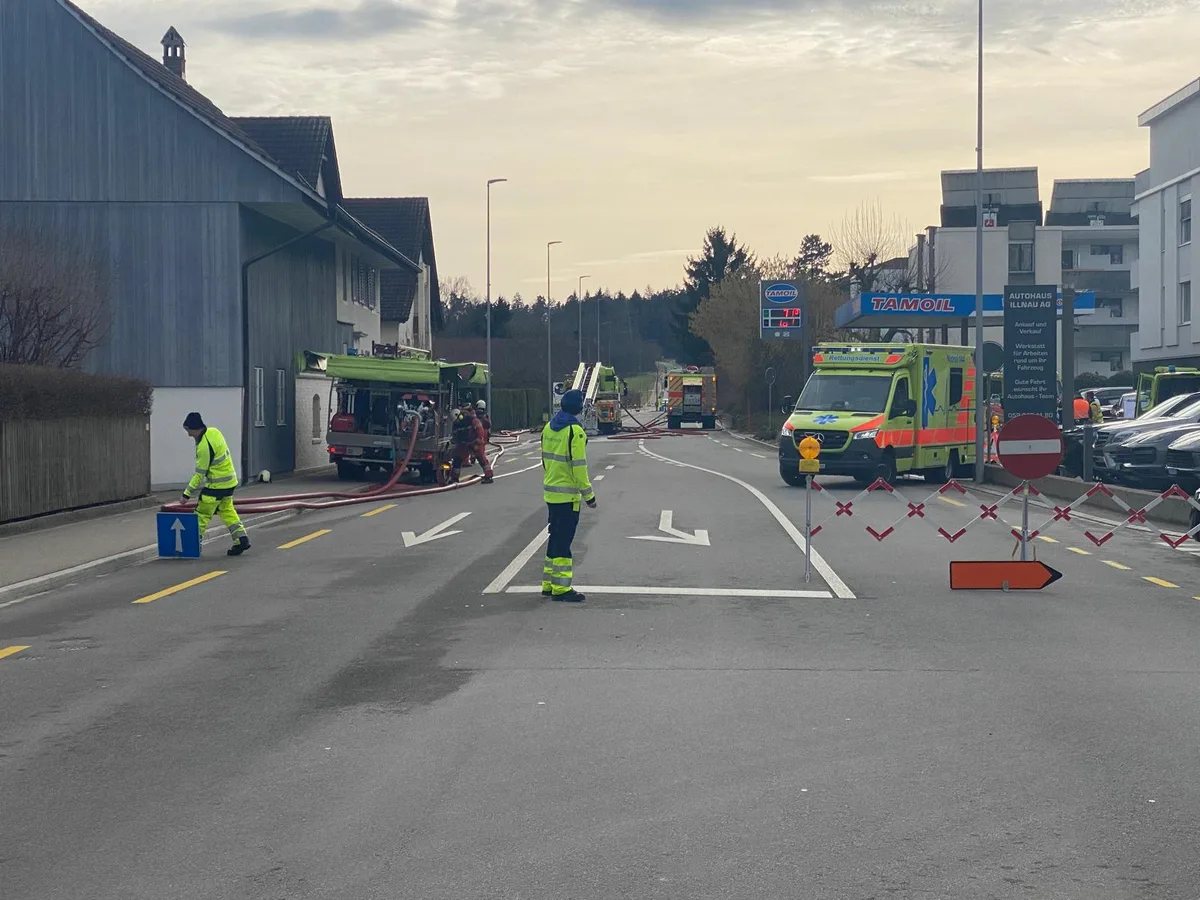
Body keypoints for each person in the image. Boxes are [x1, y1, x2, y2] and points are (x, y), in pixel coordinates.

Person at [540, 389, 596, 602]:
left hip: (551, 493)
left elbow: (545, 460)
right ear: (579, 408)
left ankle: (548, 584)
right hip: (568, 496)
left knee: (555, 538)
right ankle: (561, 588)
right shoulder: (575, 431)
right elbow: (579, 468)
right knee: (564, 542)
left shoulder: (548, 427)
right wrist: (589, 496)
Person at [181, 412, 250, 556]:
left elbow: (199, 474)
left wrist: (186, 494)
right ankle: (241, 539)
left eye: (188, 430)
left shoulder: (203, 447)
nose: (188, 434)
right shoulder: (214, 432)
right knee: (227, 510)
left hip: (216, 486)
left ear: (195, 428)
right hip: (230, 482)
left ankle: (193, 546)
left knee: (201, 514)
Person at [451, 405, 493, 484]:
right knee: (457, 459)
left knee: (481, 459)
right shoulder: (455, 425)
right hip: (465, 444)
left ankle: (488, 476)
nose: (457, 422)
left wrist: (478, 441)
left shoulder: (472, 420)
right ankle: (454, 478)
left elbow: (480, 430)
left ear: (460, 416)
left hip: (475, 442)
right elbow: (455, 436)